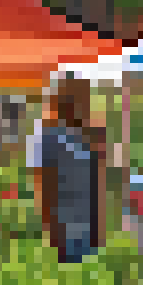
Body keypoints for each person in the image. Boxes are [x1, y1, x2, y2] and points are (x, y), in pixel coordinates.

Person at [28, 73, 103, 263]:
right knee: (72, 265)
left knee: (88, 266)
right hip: (65, 220)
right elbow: (43, 180)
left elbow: (95, 180)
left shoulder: (88, 134)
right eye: (76, 98)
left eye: (82, 99)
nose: (81, 104)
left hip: (87, 218)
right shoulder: (49, 135)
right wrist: (49, 221)